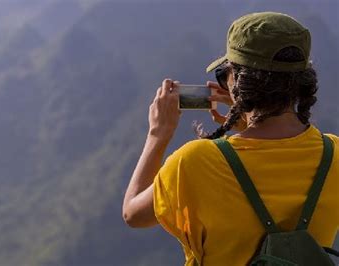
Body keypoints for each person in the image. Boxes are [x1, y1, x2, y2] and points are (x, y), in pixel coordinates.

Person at [122, 11, 338, 265]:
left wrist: (158, 133)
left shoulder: (196, 162)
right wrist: (246, 122)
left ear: (235, 80)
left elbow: (133, 214)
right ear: (303, 81)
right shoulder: (333, 153)